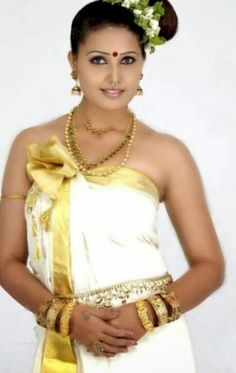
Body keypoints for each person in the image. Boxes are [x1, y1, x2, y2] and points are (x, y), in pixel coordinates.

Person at [0, 0, 225, 372]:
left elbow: (209, 265)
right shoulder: (31, 144)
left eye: (128, 60)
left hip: (147, 342)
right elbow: (7, 261)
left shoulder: (168, 153)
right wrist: (67, 318)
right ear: (73, 62)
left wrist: (144, 316)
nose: (115, 77)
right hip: (64, 338)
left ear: (143, 65)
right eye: (99, 60)